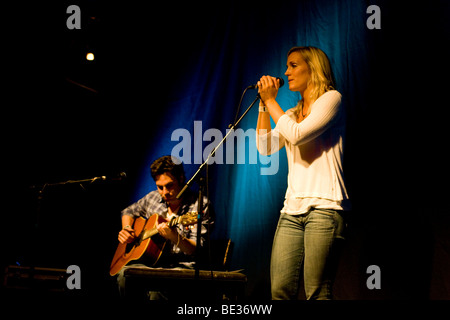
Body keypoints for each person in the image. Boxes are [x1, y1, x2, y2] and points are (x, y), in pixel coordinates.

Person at [256, 46, 349, 300]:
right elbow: (265, 147)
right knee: (279, 292)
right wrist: (264, 105)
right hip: (291, 211)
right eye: (286, 66)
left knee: (317, 292)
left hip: (325, 208)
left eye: (293, 65)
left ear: (313, 68)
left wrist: (272, 100)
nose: (286, 72)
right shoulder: (291, 114)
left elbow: (297, 135)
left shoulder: (332, 100)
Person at [116, 155, 213, 299]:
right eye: (160, 187)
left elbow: (196, 249)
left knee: (157, 289)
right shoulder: (153, 198)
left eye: (169, 185)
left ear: (181, 179)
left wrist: (174, 236)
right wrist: (127, 229)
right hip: (152, 265)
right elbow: (128, 211)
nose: (164, 192)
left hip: (182, 268)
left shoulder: (199, 205)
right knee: (124, 274)